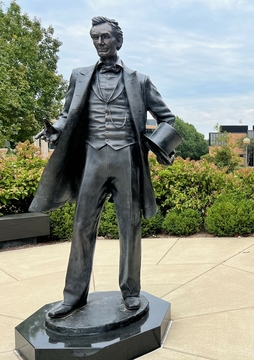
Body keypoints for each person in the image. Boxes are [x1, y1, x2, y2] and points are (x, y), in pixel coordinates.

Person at [29, 16, 176, 318]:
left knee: (129, 227)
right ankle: (73, 296)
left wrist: (158, 144)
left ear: (118, 41)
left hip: (127, 160)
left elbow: (167, 118)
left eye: (105, 37)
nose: (99, 42)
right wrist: (55, 129)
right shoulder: (80, 75)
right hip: (92, 159)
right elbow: (66, 113)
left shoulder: (140, 80)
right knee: (82, 226)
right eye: (94, 37)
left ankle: (131, 292)